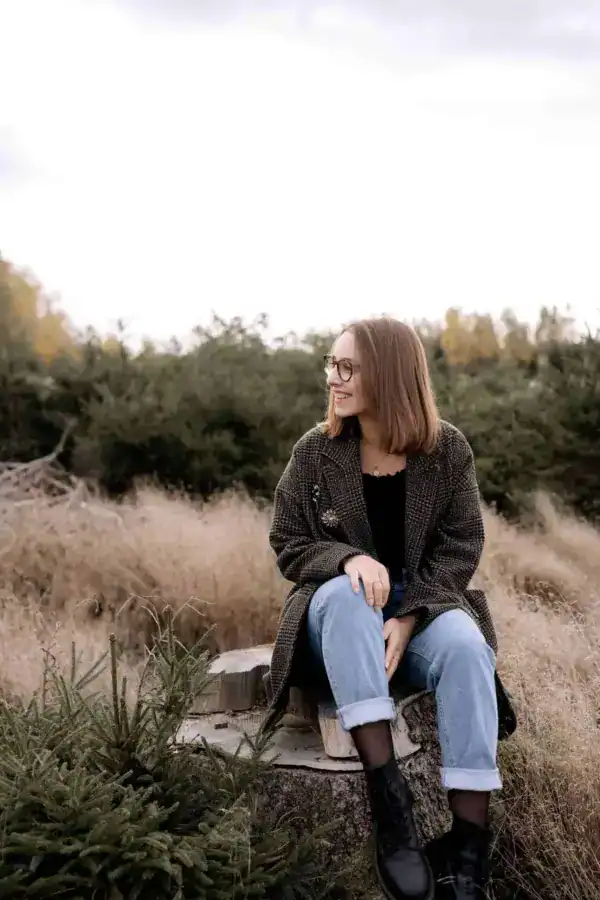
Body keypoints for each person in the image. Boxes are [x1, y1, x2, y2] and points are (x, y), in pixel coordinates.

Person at [261, 316, 516, 900]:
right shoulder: (315, 453)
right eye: (331, 364)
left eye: (347, 367)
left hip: (419, 609)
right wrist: (349, 557)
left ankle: (468, 848)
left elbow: (462, 545)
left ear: (389, 375)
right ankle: (392, 807)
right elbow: (288, 542)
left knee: (468, 647)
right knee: (351, 598)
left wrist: (409, 616)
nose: (333, 378)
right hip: (335, 620)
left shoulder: (446, 449)